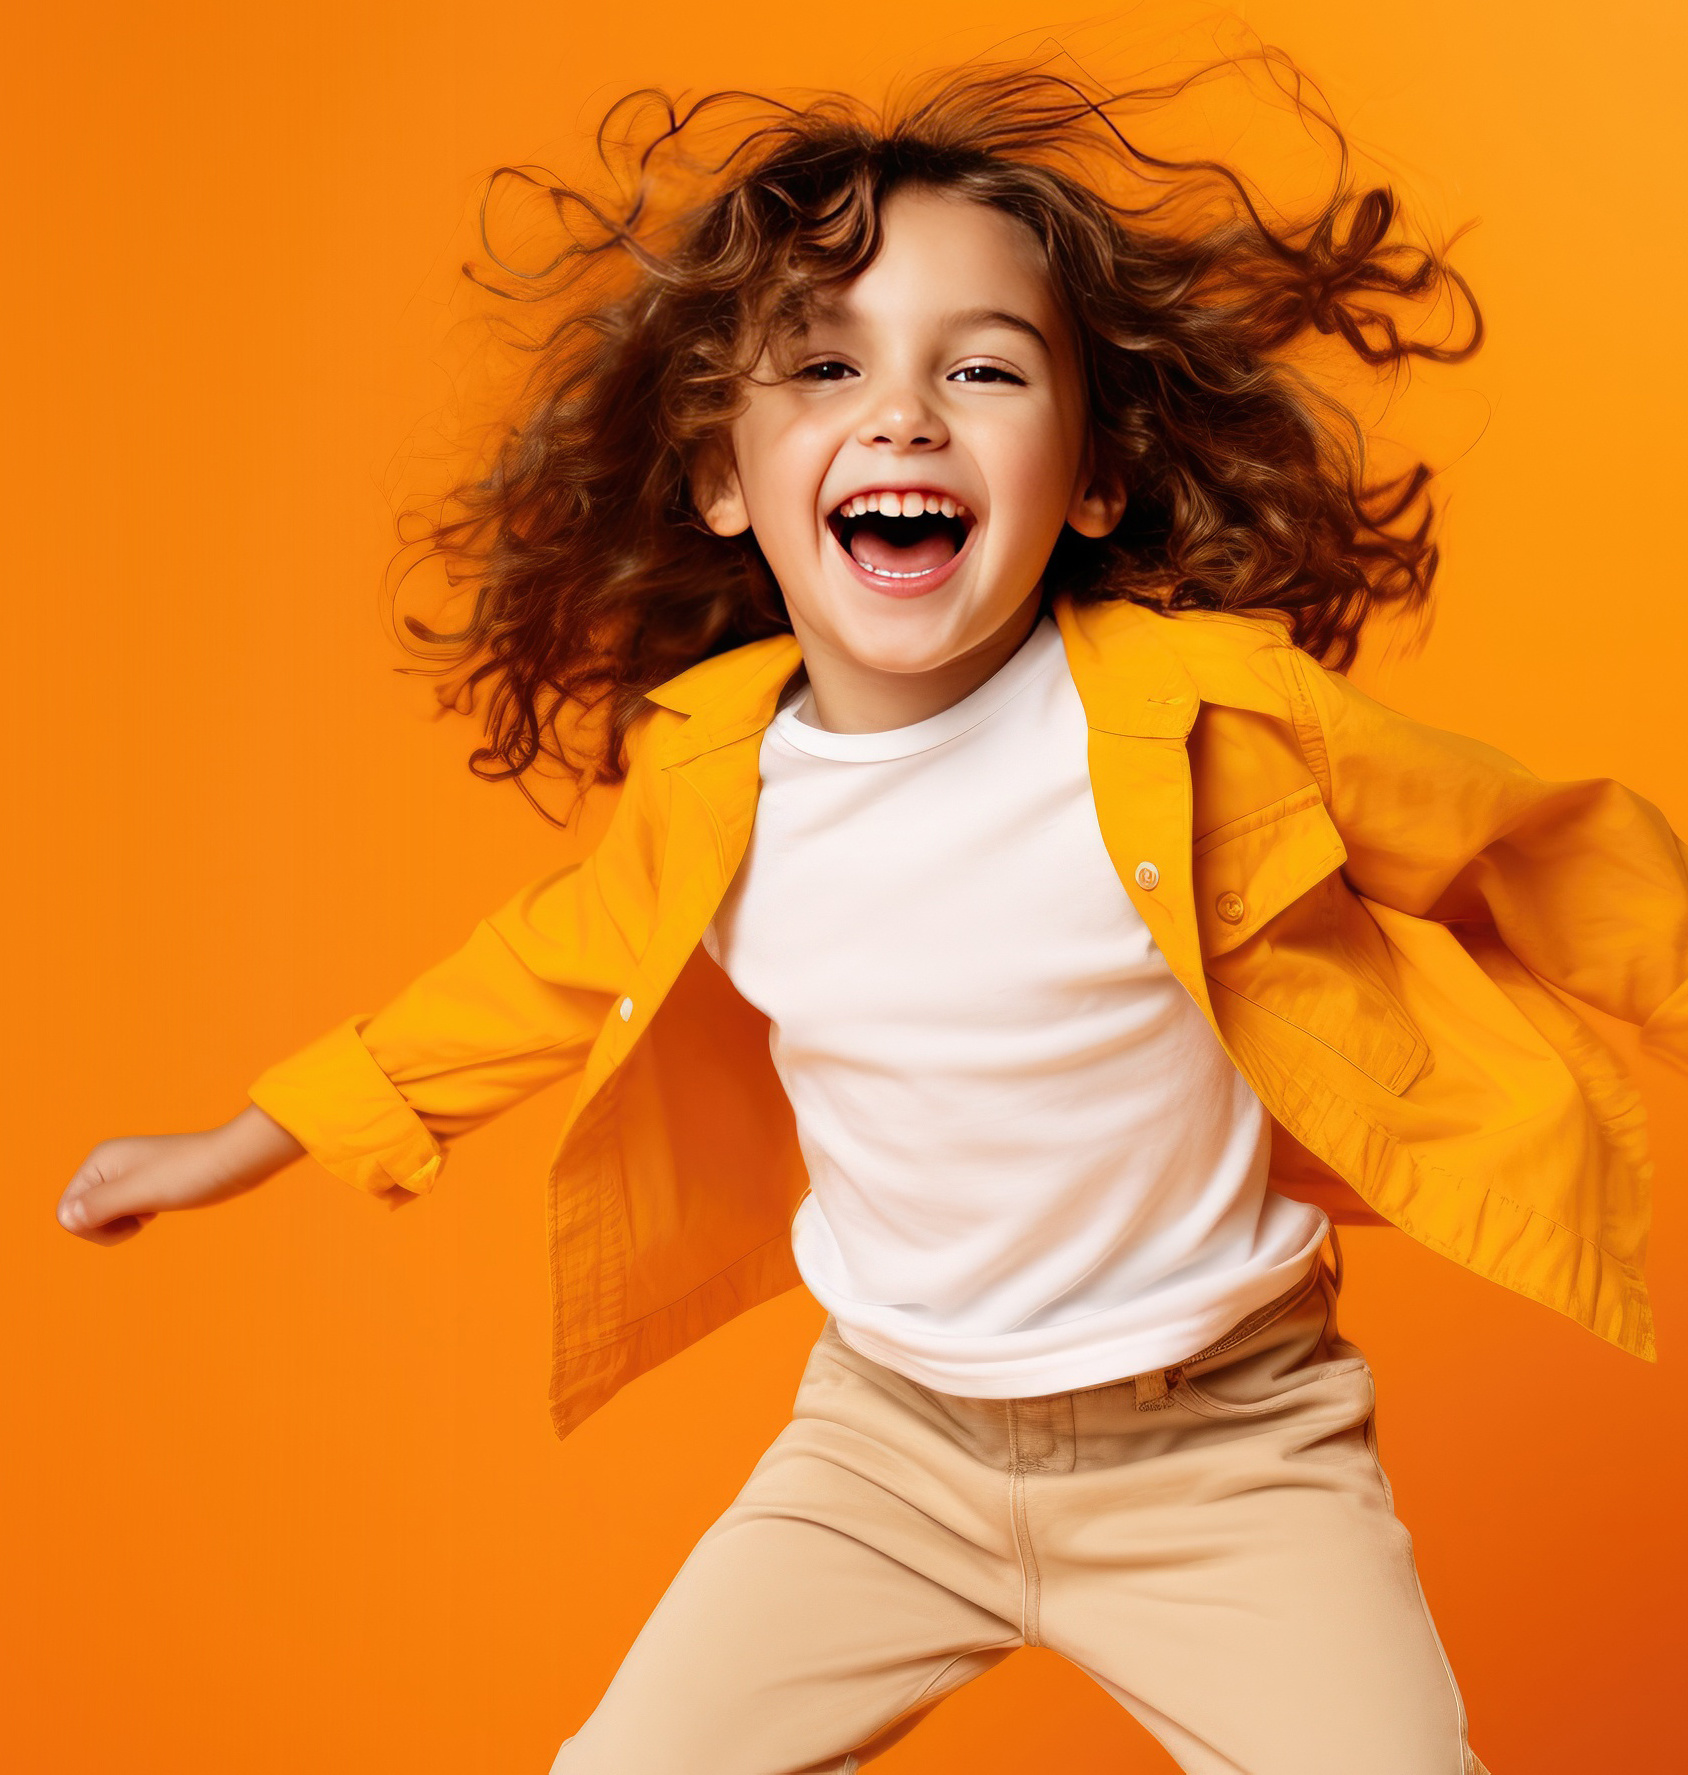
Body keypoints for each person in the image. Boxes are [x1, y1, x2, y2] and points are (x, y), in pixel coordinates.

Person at [55, 61, 1687, 1775]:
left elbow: (1541, 854)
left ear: (1095, 479)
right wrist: (247, 1138)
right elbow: (532, 972)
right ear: (725, 480)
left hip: (1229, 1452)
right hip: (888, 1455)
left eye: (981, 369)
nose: (905, 414)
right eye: (829, 367)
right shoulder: (716, 782)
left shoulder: (1219, 718)